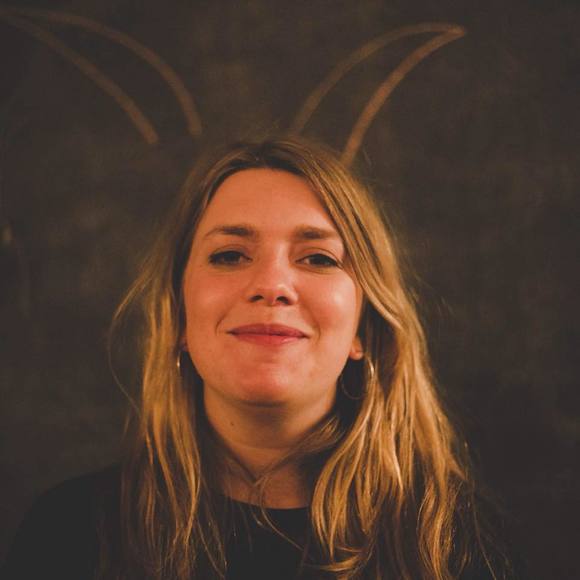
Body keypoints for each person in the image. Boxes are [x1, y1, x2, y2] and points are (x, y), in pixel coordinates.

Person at [2, 136, 513, 579]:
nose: (271, 284)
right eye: (229, 255)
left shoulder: (459, 542)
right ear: (179, 316)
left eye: (318, 258)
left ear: (363, 327)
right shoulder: (68, 534)